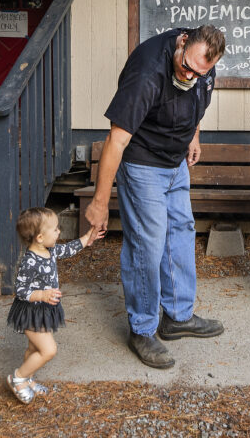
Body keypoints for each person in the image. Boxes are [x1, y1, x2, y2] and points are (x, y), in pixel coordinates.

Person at [84, 25, 226, 369]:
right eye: (186, 67)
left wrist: (193, 135)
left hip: (175, 160)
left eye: (199, 72)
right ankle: (142, 328)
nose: (190, 74)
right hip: (142, 162)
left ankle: (177, 316)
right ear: (181, 44)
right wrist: (100, 203)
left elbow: (198, 102)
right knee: (147, 243)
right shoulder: (147, 72)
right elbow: (116, 140)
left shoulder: (203, 64)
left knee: (181, 231)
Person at [6, 206, 105, 404]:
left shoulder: (49, 250)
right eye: (55, 229)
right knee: (49, 350)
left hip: (44, 309)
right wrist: (42, 294)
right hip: (30, 311)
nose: (59, 232)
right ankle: (17, 378)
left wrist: (88, 237)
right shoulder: (30, 261)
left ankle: (28, 379)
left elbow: (68, 249)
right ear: (40, 237)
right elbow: (21, 290)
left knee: (34, 349)